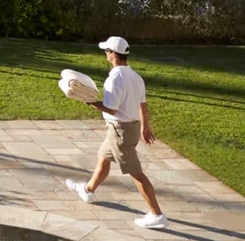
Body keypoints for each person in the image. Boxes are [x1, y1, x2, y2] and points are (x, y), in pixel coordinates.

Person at [65, 36, 168, 229]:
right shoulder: (136, 77)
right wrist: (146, 127)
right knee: (103, 157)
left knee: (136, 174)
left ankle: (157, 215)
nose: (105, 54)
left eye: (106, 51)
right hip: (131, 128)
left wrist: (87, 100)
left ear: (113, 53)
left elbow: (111, 109)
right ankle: (88, 190)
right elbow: (142, 105)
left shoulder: (114, 79)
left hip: (120, 131)